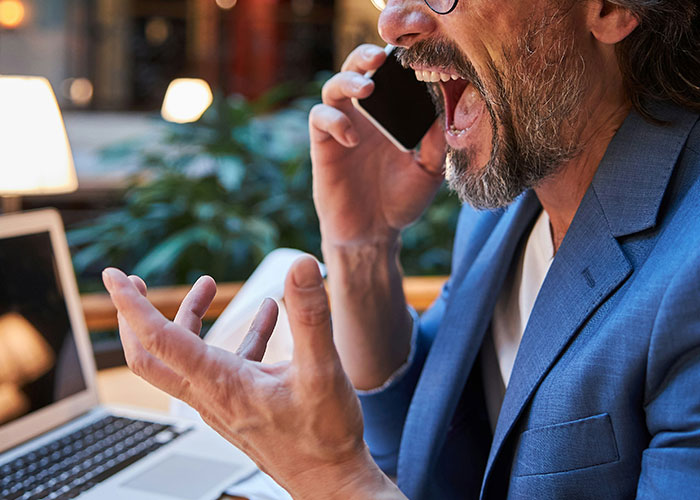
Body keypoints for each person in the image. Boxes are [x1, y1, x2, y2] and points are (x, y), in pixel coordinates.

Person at [102, 0, 700, 498]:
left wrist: (329, 477)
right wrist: (363, 244)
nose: (392, 23)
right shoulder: (506, 212)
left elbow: (365, 476)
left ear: (610, 7)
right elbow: (425, 461)